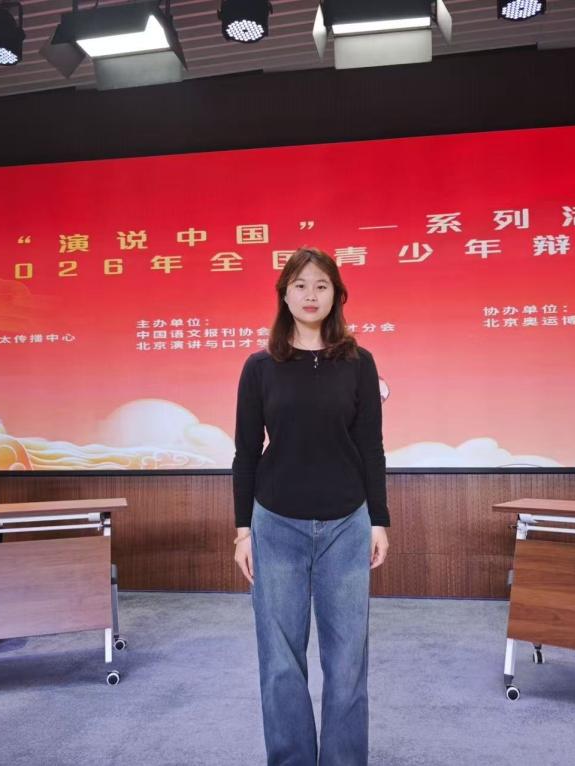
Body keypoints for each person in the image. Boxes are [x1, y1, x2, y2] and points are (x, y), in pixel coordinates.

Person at [232, 246, 390, 766]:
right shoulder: (260, 367)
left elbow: (371, 447)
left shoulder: (359, 363)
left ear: (336, 296)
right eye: (299, 285)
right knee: (280, 661)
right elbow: (245, 453)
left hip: (347, 523)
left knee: (347, 662)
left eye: (321, 285)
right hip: (276, 523)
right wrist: (242, 531)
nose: (310, 295)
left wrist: (379, 520)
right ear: (284, 295)